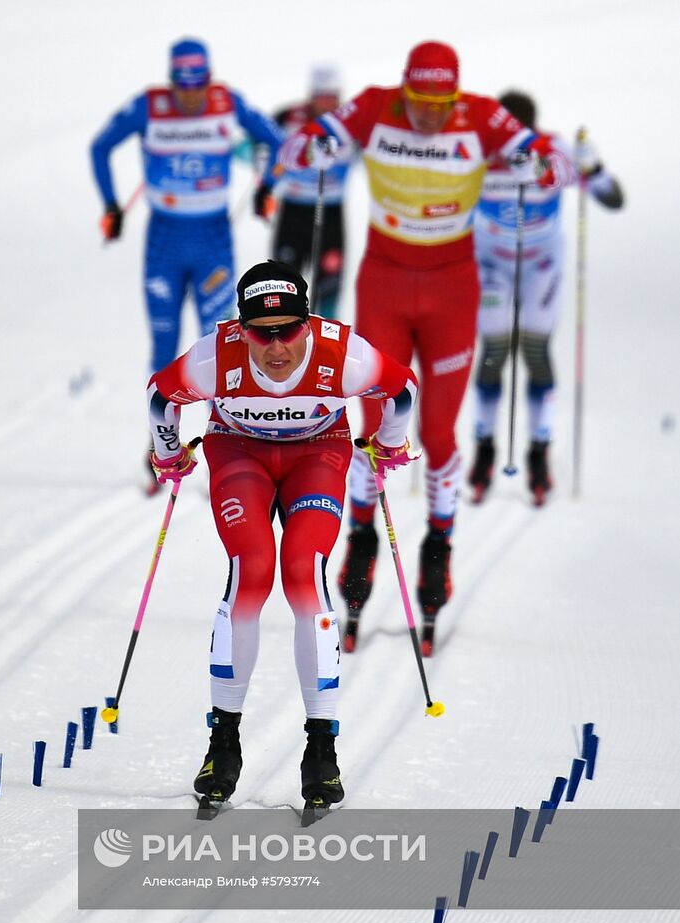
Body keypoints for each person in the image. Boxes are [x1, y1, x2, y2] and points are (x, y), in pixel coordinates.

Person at [279, 41, 560, 653]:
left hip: (453, 289)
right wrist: (316, 147)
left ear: (455, 97)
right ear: (405, 90)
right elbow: (300, 143)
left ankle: (438, 544)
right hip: (383, 281)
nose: (430, 115)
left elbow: (549, 155)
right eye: (420, 102)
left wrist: (543, 165)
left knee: (436, 433)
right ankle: (360, 538)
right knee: (376, 426)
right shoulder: (376, 107)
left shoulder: (480, 115)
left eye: (441, 103)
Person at [146, 260, 417, 813]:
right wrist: (168, 453)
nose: (276, 347)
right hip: (238, 450)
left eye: (290, 330)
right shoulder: (214, 356)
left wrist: (388, 443)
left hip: (317, 452)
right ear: (239, 328)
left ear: (308, 322)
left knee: (302, 575)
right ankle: (223, 743)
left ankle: (322, 749)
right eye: (261, 333)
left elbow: (403, 389)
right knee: (253, 571)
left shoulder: (343, 354)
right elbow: (160, 395)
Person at [90, 38, 284, 377]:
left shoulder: (227, 102)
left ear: (209, 80)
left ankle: (221, 430)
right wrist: (110, 204)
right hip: (165, 240)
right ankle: (159, 429)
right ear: (171, 81)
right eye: (183, 86)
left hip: (213, 239)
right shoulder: (149, 106)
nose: (191, 95)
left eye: (199, 86)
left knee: (220, 345)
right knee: (164, 345)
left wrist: (266, 186)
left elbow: (277, 139)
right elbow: (100, 147)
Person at [468, 90, 624, 504]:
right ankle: (484, 449)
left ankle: (539, 450)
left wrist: (594, 165)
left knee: (536, 351)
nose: (508, 146)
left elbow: (613, 197)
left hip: (541, 266)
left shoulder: (554, 151)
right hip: (491, 266)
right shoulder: (477, 153)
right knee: (494, 351)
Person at [253, 65, 354, 318]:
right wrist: (265, 188)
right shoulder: (289, 117)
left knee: (329, 286)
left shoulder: (350, 121)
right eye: (321, 97)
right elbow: (270, 153)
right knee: (281, 284)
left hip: (330, 213)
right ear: (311, 95)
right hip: (293, 212)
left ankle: (325, 347)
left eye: (332, 97)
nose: (327, 103)